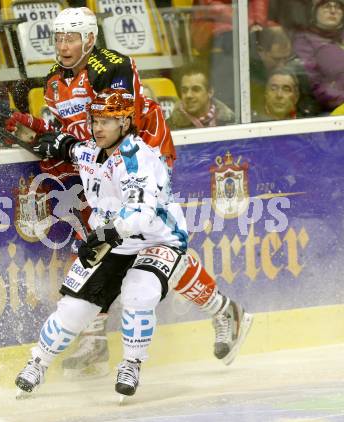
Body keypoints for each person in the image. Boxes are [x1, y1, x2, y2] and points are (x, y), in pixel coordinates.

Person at [14, 88, 253, 398]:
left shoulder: (137, 160)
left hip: (157, 239)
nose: (98, 127)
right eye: (95, 120)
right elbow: (77, 150)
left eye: (106, 122)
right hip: (116, 241)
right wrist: (60, 143)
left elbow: (140, 214)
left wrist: (102, 235)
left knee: (139, 294)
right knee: (74, 309)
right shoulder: (91, 149)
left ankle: (131, 363)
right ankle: (38, 363)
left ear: (125, 123)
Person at [5, 6, 174, 379]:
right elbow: (65, 128)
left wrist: (64, 144)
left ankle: (216, 304)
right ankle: (95, 339)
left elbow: (115, 126)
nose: (63, 46)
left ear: (90, 39)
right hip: (98, 165)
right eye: (58, 38)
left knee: (149, 234)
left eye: (71, 38)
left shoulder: (111, 66)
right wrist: (38, 130)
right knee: (97, 241)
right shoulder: (52, 79)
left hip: (141, 157)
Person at [250, 26, 320, 117]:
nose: (282, 65)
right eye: (277, 59)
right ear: (260, 51)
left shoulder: (298, 70)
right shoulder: (245, 73)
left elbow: (310, 104)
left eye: (286, 59)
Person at [293, 0, 344, 112]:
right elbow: (314, 84)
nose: (333, 11)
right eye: (326, 6)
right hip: (329, 111)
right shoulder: (305, 40)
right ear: (314, 11)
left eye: (338, 7)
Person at [167, 63, 235, 130]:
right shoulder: (167, 128)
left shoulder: (232, 122)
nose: (188, 95)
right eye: (184, 90)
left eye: (196, 89)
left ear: (210, 92)